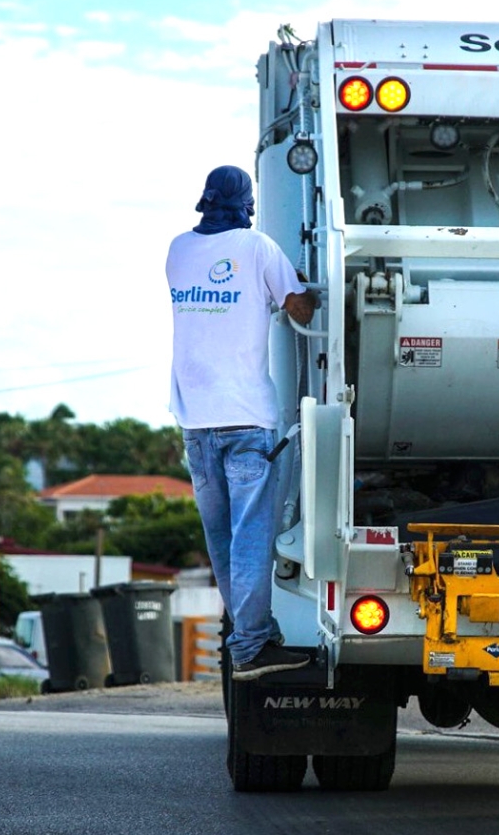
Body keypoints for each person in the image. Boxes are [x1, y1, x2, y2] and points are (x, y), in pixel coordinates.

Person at [167, 165, 320, 681]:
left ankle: (248, 635)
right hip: (247, 422)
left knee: (222, 542)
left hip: (196, 424)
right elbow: (300, 310)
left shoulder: (177, 251)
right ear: (246, 202)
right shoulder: (258, 248)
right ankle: (252, 645)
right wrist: (312, 286)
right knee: (251, 537)